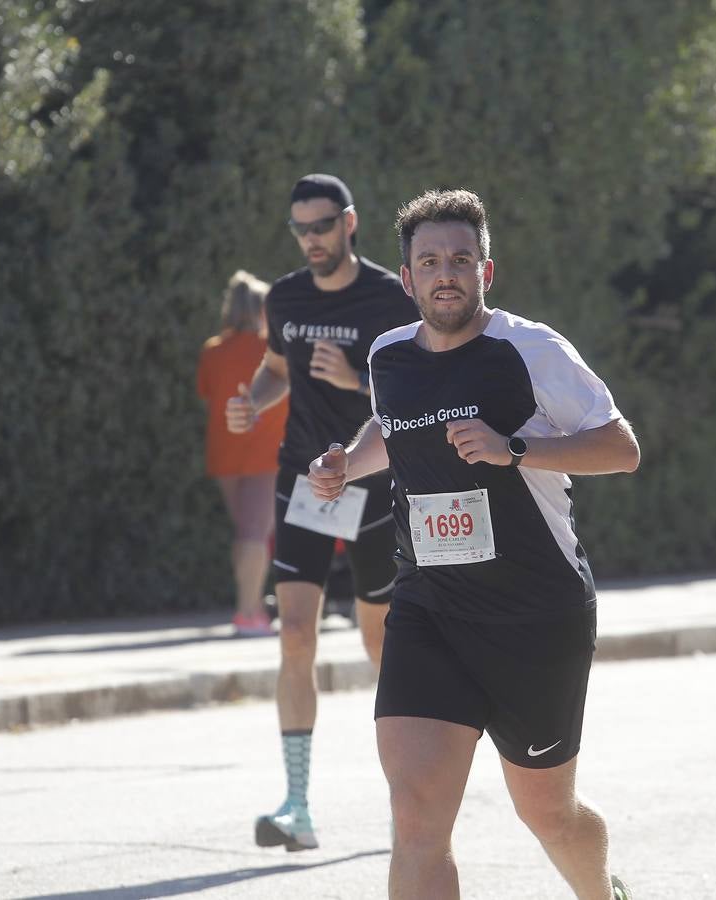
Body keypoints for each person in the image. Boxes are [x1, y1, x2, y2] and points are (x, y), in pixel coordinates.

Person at [307, 189, 640, 899]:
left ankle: (601, 893)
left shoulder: (530, 350)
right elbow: (391, 431)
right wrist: (345, 465)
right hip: (429, 609)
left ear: (488, 272)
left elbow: (621, 446)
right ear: (408, 279)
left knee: (548, 812)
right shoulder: (390, 356)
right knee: (416, 814)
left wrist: (513, 447)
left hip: (535, 616)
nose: (446, 272)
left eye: (461, 258)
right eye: (429, 261)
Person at [226, 174, 417, 851]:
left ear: (350, 222)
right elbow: (280, 367)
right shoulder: (284, 297)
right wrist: (253, 398)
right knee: (296, 635)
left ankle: (408, 801)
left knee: (380, 643)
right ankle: (297, 805)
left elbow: (417, 384)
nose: (311, 239)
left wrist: (356, 381)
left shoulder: (390, 297)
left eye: (322, 226)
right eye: (301, 228)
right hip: (303, 477)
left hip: (369, 480)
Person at [197, 270, 289, 637]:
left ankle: (248, 607)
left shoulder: (213, 350)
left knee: (244, 531)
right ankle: (248, 612)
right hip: (266, 453)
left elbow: (208, 395)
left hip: (224, 453)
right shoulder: (272, 347)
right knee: (255, 532)